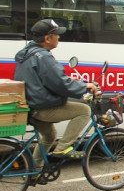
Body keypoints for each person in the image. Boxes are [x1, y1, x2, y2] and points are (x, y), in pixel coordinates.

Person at [14, 19, 100, 164]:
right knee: (84, 110)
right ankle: (63, 147)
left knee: (49, 136)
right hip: (43, 107)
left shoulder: (28, 53)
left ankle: (35, 170)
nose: (59, 37)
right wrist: (85, 86)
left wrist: (67, 79)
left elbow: (47, 79)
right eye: (56, 35)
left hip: (30, 106)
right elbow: (60, 84)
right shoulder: (43, 56)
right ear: (47, 39)